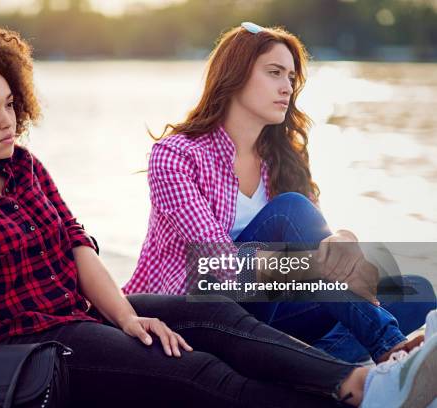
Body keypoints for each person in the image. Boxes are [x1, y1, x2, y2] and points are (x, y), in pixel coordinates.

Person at [0, 23, 435, 408]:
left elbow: (78, 246)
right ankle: (366, 390)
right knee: (195, 369)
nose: (8, 121)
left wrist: (129, 315)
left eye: (10, 104)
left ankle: (362, 379)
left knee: (221, 318)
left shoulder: (24, 167)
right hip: (25, 348)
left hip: (85, 314)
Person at [123, 21, 436, 365]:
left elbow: (315, 243)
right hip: (193, 313)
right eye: (274, 72)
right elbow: (219, 266)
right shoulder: (176, 154)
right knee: (290, 211)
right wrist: (314, 263)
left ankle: (313, 362)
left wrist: (341, 244)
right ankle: (384, 345)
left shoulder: (283, 158)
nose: (286, 87)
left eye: (291, 78)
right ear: (236, 74)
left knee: (414, 291)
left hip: (266, 311)